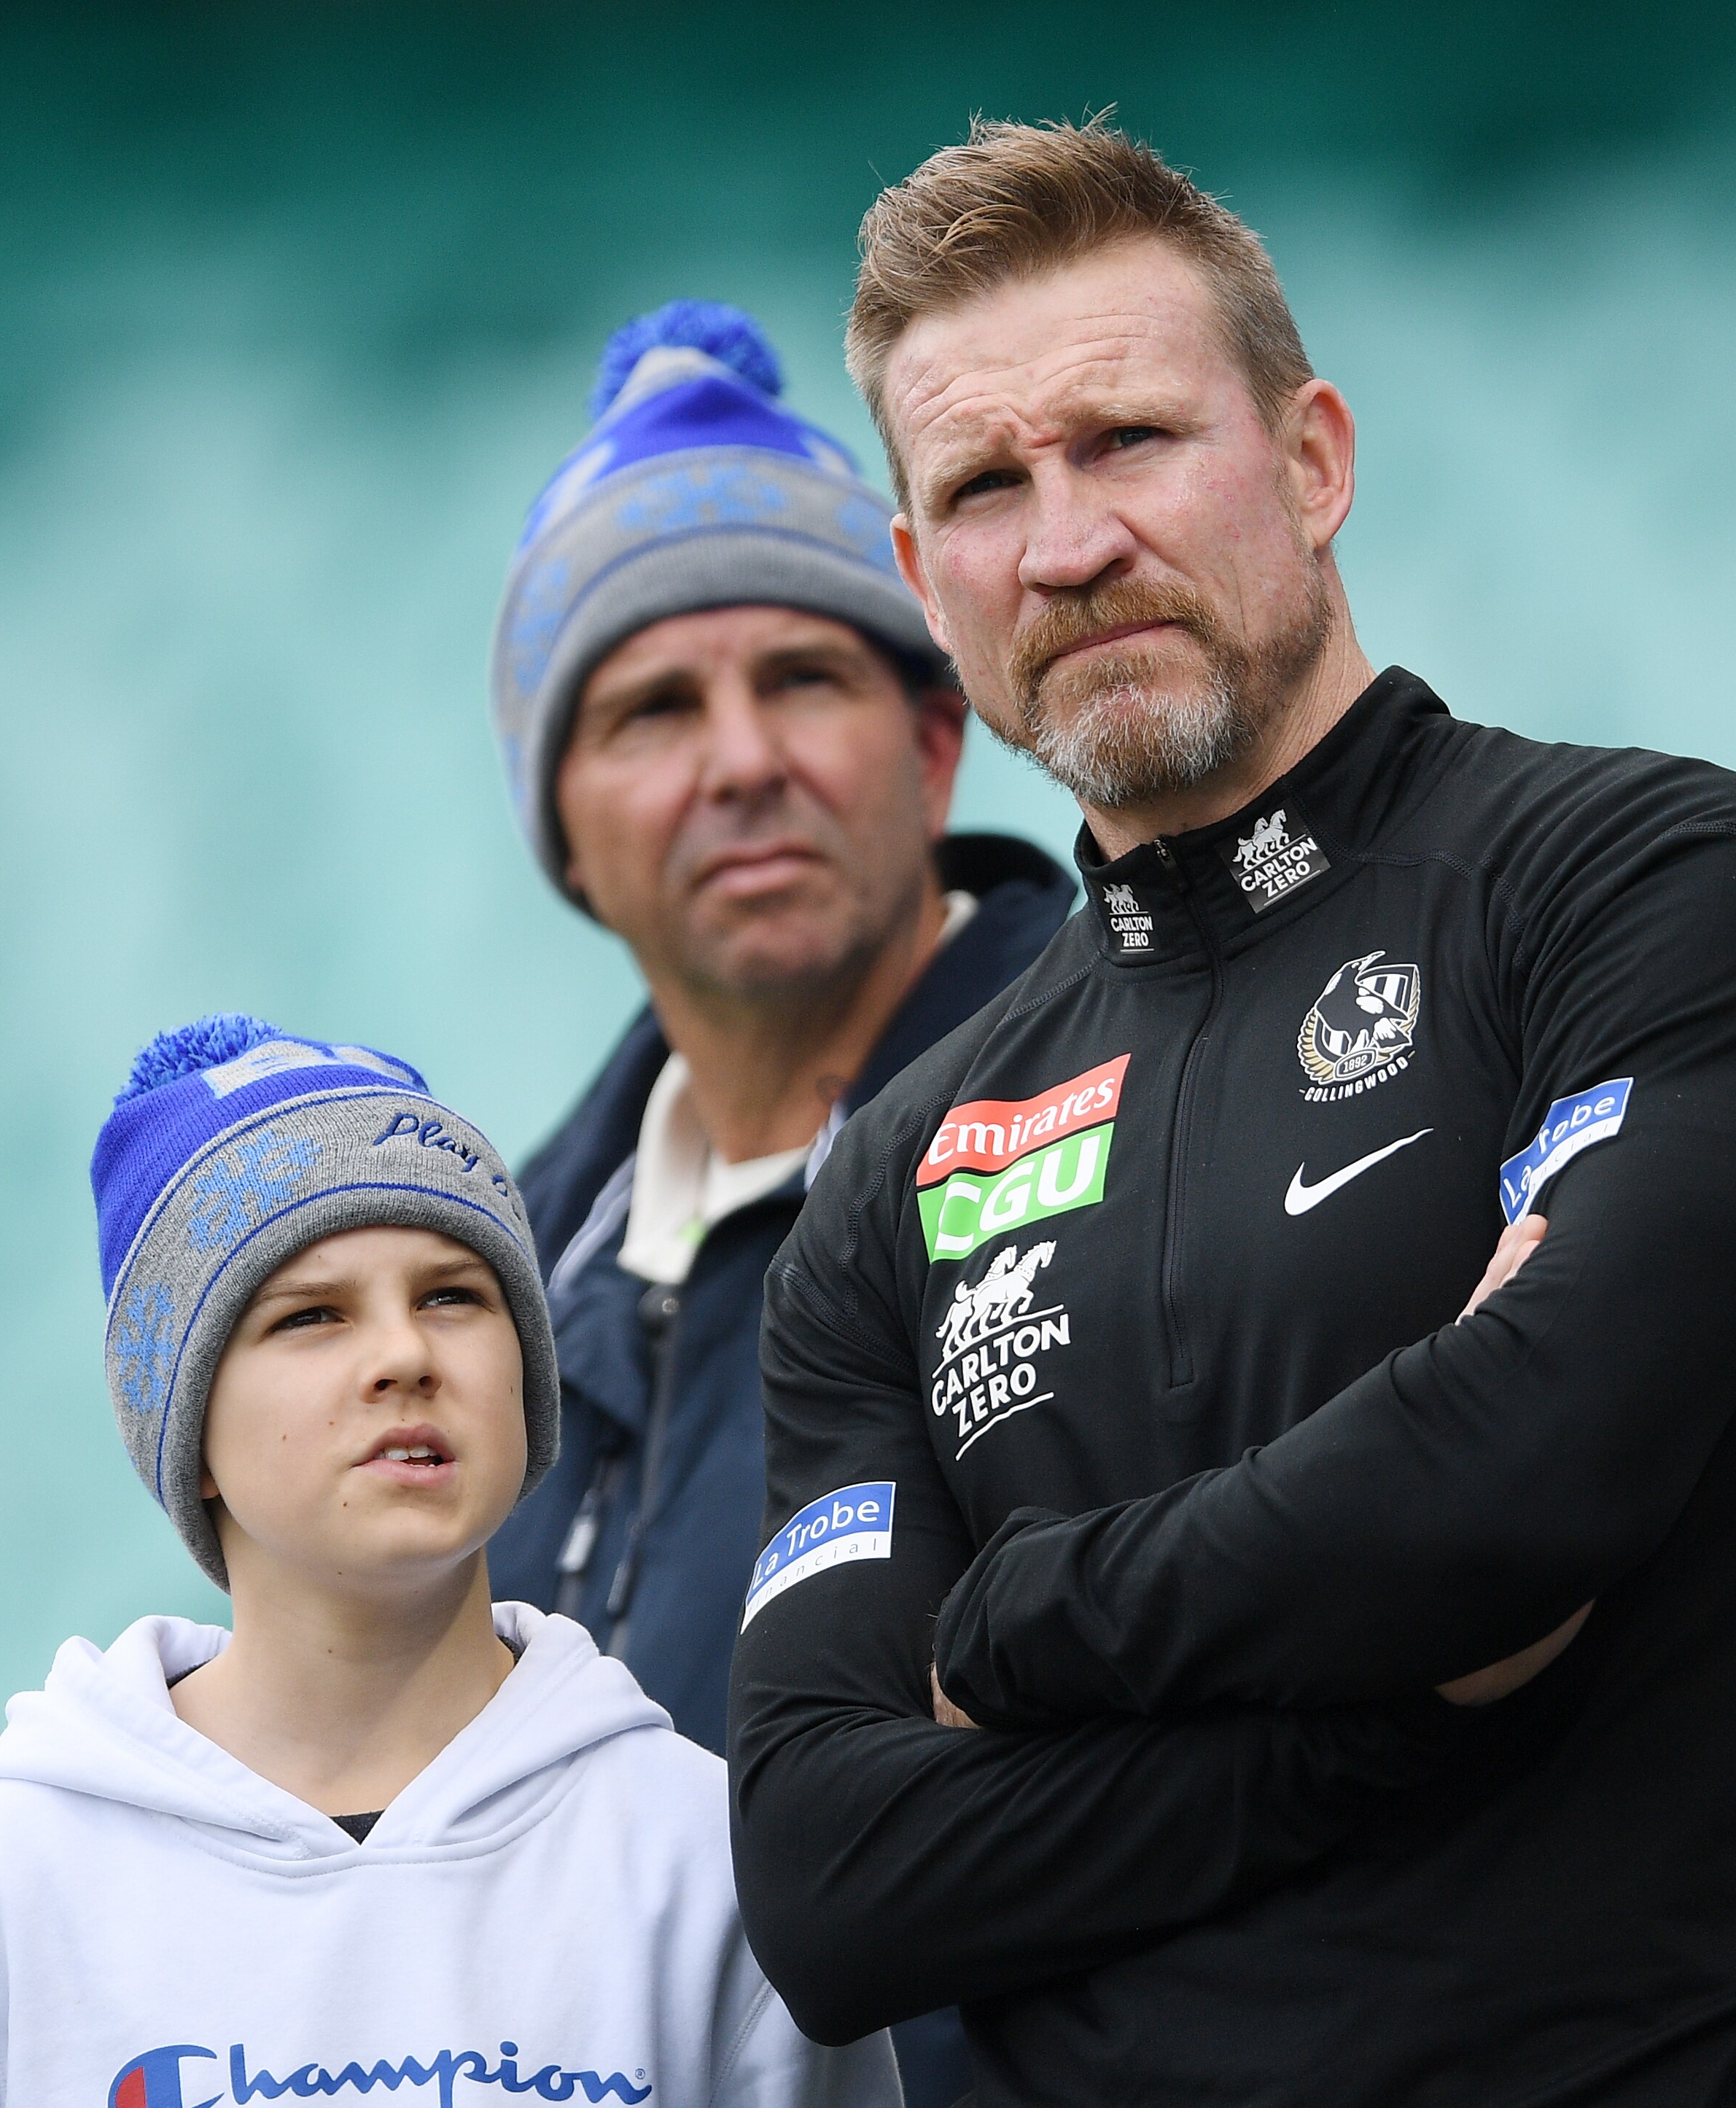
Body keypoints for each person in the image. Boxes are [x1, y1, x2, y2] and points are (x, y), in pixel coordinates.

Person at [725, 117, 1736, 2107]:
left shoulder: (1648, 879)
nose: (1071, 540)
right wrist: (1395, 1712)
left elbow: (1526, 1478)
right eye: (988, 488)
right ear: (929, 581)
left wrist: (1013, 1622)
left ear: (1312, 458)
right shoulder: (899, 1169)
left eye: (1127, 441)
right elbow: (834, 1884)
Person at [0, 1016, 894, 2108]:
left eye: (452, 1295)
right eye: (310, 1316)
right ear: (186, 1432)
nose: (403, 1357)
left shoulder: (706, 1859)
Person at [480, 302, 1063, 2108]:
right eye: (654, 708)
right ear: (567, 833)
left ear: (937, 739)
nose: (740, 760)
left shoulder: (1141, 1118)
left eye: (803, 680)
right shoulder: (484, 1294)